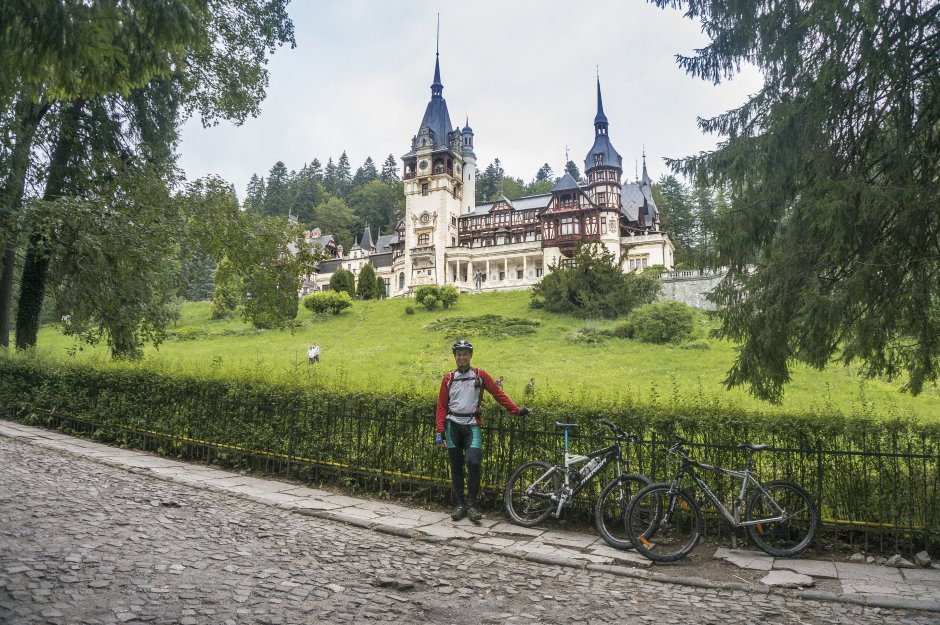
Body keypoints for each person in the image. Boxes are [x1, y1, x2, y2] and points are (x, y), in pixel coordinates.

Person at [435, 339, 529, 522]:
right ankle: (460, 505)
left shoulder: (479, 375)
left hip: (472, 425)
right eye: (458, 354)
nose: (461, 357)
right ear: (454, 356)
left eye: (465, 354)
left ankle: (472, 506)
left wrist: (516, 411)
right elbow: (441, 405)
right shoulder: (449, 378)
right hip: (452, 425)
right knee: (456, 466)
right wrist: (440, 430)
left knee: (474, 462)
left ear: (470, 356)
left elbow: (497, 393)